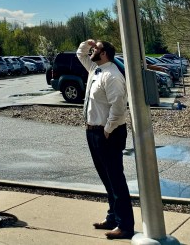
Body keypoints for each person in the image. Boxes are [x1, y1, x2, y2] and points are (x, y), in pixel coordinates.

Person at [77, 39, 135, 240]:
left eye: (96, 48)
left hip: (107, 133)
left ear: (104, 54)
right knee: (107, 179)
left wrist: (108, 128)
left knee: (116, 180)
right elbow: (80, 55)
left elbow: (119, 106)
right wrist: (87, 43)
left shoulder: (112, 75)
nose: (92, 50)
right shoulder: (96, 69)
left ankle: (125, 225)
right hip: (93, 132)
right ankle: (113, 218)